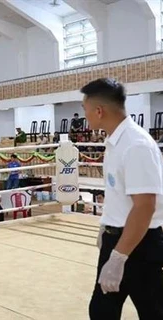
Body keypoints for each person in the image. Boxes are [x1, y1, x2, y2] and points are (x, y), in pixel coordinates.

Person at [81, 78, 163, 319]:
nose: (84, 118)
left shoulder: (136, 145)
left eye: (86, 111)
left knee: (152, 311)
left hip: (138, 244)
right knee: (101, 311)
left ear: (99, 111)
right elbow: (120, 195)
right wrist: (106, 226)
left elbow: (145, 206)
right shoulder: (115, 141)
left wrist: (118, 257)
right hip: (116, 238)